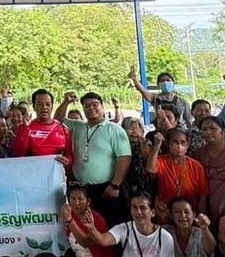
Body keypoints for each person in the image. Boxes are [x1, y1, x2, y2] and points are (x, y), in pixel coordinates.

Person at [55, 92, 132, 225]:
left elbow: (124, 158)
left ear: (102, 107)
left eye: (95, 105)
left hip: (106, 188)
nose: (91, 108)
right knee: (84, 226)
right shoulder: (78, 126)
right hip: (82, 188)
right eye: (86, 106)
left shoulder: (114, 129)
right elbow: (57, 120)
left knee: (109, 225)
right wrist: (66, 102)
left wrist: (115, 185)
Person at [147, 128, 209, 216]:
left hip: (189, 214)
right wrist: (157, 146)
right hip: (166, 213)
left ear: (187, 145)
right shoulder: (163, 161)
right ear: (169, 144)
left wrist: (200, 215)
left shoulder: (196, 166)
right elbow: (150, 169)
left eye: (183, 143)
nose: (179, 146)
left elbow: (203, 195)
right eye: (175, 142)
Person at [187, 74, 225, 153]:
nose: (203, 113)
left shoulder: (221, 122)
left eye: (207, 110)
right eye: (199, 110)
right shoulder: (187, 133)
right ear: (192, 112)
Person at [12, 89, 70, 158]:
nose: (44, 107)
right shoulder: (25, 127)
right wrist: (25, 129)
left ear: (52, 107)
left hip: (56, 168)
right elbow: (18, 153)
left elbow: (69, 154)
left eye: (47, 104)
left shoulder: (63, 128)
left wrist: (68, 160)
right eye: (40, 104)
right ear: (34, 107)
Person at [117, 117, 154, 213]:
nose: (134, 132)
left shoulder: (148, 143)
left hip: (145, 186)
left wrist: (143, 146)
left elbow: (150, 165)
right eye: (131, 128)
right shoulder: (120, 146)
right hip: (126, 186)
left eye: (138, 128)